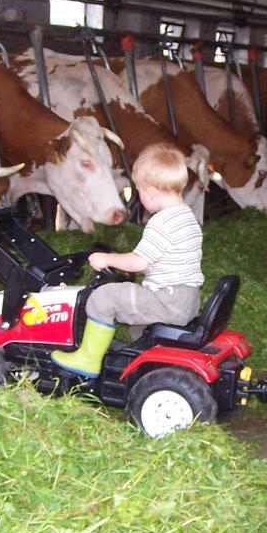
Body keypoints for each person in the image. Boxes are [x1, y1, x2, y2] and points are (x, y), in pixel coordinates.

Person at [52, 142, 204, 377]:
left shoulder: (161, 222)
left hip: (167, 300)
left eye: (140, 190)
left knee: (104, 297)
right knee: (136, 315)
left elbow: (138, 263)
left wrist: (107, 259)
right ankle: (142, 355)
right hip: (187, 299)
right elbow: (165, 261)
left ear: (151, 191)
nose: (140, 196)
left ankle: (88, 359)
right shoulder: (187, 217)